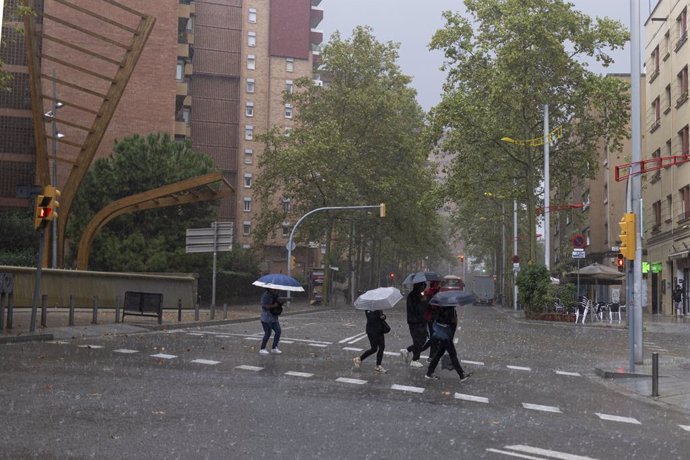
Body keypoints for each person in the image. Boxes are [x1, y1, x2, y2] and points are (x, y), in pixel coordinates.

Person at [425, 305, 471, 382]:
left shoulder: (445, 308)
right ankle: (461, 375)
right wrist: (453, 318)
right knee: (453, 355)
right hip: (446, 336)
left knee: (438, 354)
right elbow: (448, 322)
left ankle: (429, 373)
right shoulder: (447, 309)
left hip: (445, 335)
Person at [401, 282, 428, 368]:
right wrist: (422, 302)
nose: (423, 288)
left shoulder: (419, 295)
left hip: (421, 321)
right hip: (414, 322)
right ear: (418, 286)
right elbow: (415, 309)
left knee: (423, 340)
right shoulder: (412, 296)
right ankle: (415, 359)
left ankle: (407, 350)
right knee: (418, 341)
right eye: (423, 286)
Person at [353, 309, 388, 373]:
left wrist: (383, 316)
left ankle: (378, 366)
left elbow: (382, 316)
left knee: (382, 347)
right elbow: (371, 318)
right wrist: (378, 316)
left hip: (380, 330)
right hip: (372, 331)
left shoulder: (378, 306)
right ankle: (359, 359)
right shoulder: (368, 308)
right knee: (374, 349)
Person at [259, 288, 283, 354]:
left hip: (274, 318)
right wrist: (274, 305)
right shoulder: (265, 296)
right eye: (273, 288)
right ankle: (262, 348)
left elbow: (278, 303)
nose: (275, 289)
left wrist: (280, 303)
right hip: (266, 318)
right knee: (268, 333)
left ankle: (274, 347)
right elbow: (265, 306)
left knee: (278, 331)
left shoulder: (276, 295)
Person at [421, 280, 442, 359]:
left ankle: (432, 355)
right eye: (438, 283)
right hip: (431, 318)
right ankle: (418, 350)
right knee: (434, 337)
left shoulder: (437, 292)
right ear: (435, 284)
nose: (439, 285)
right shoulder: (429, 293)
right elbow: (427, 305)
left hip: (435, 318)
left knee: (435, 338)